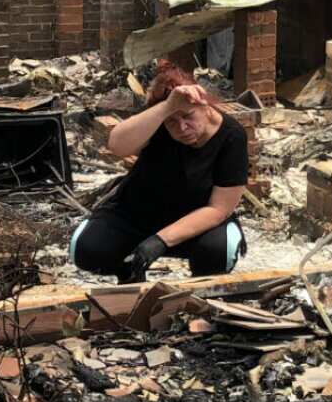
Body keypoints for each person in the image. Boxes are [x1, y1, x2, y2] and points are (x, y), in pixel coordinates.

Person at [70, 63, 248, 283]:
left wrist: (161, 240)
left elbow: (218, 209)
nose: (182, 128)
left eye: (188, 117)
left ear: (206, 107)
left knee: (217, 252)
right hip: (139, 211)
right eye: (173, 121)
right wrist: (166, 108)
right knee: (86, 250)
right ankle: (128, 272)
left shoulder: (232, 136)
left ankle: (197, 294)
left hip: (196, 219)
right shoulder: (158, 123)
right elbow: (117, 146)